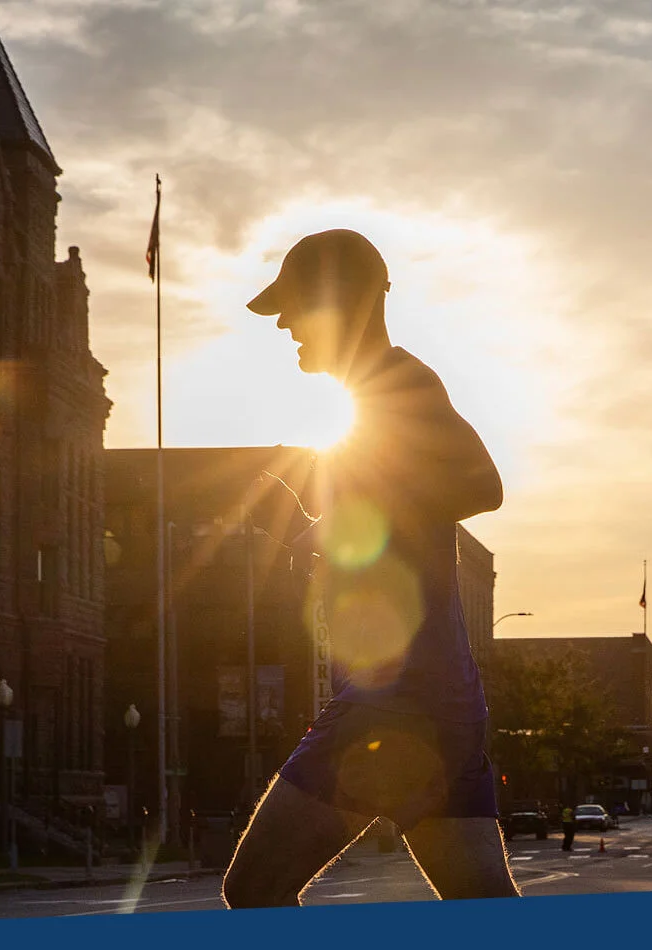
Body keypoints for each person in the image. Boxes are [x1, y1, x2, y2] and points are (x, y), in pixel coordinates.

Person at [220, 229, 518, 907]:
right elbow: (391, 526)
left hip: (395, 702)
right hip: (441, 702)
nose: (286, 326)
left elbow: (482, 485)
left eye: (294, 308)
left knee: (255, 888)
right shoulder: (366, 403)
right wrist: (314, 529)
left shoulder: (396, 384)